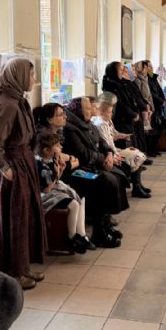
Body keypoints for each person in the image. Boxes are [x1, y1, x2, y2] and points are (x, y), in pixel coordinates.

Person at [0, 58, 46, 290]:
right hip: (13, 166)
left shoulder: (18, 100)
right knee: (15, 218)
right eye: (31, 74)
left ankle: (22, 266)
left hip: (23, 163)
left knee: (24, 216)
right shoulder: (7, 104)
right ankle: (14, 272)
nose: (34, 79)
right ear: (20, 76)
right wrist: (6, 169)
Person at [63, 97, 127, 247]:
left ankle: (105, 223)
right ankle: (99, 233)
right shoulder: (71, 129)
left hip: (91, 165)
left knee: (117, 177)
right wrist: (104, 159)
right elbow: (84, 154)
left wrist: (109, 154)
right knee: (103, 182)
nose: (91, 110)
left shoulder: (87, 123)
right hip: (77, 171)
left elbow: (102, 142)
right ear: (78, 110)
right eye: (87, 108)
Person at [35, 131, 91, 254]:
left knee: (80, 197)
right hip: (45, 195)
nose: (61, 147)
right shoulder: (40, 165)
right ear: (46, 150)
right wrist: (57, 174)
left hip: (54, 188)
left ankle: (81, 234)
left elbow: (55, 180)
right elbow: (47, 189)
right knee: (73, 204)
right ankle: (72, 236)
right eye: (57, 145)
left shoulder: (51, 159)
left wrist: (60, 170)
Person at [92, 92, 151, 198]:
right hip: (109, 153)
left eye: (111, 111)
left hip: (113, 150)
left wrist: (123, 136)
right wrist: (116, 154)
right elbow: (106, 144)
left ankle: (138, 185)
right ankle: (136, 188)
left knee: (136, 152)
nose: (111, 114)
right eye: (109, 112)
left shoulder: (107, 120)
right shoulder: (100, 124)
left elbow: (114, 134)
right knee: (136, 155)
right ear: (101, 112)